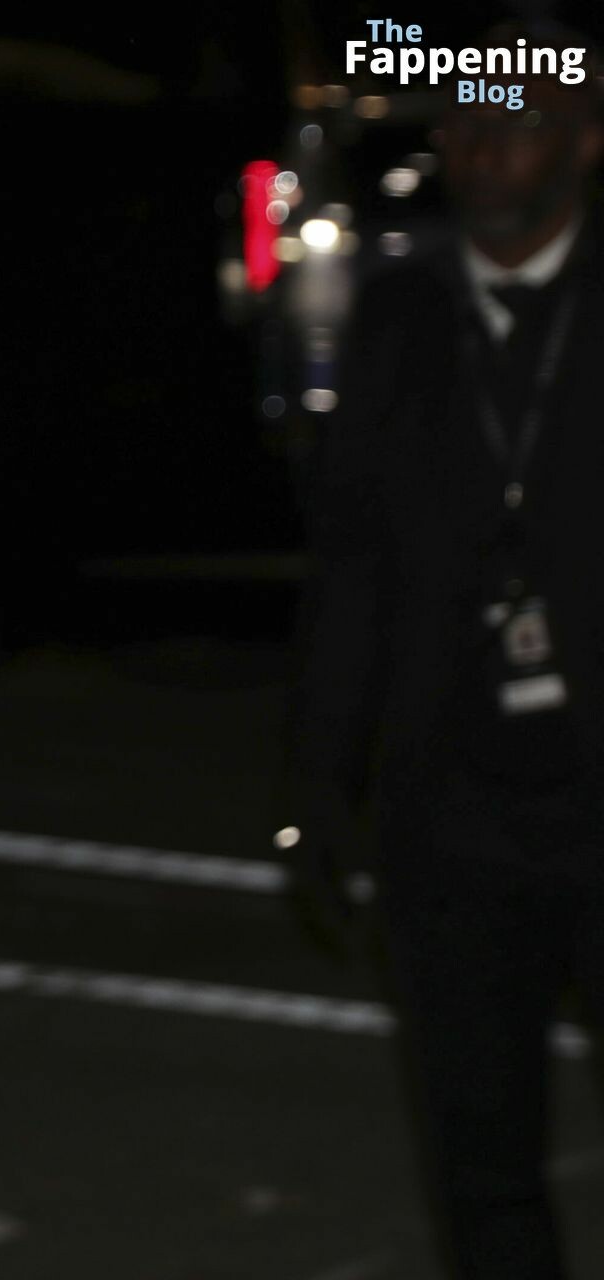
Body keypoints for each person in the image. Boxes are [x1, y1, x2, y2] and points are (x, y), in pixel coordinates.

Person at [283, 32, 604, 1280]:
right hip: (452, 812)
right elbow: (351, 567)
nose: (480, 150)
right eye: (463, 123)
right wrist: (320, 783)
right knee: (480, 1159)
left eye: (515, 122)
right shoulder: (401, 312)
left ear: (584, 140)